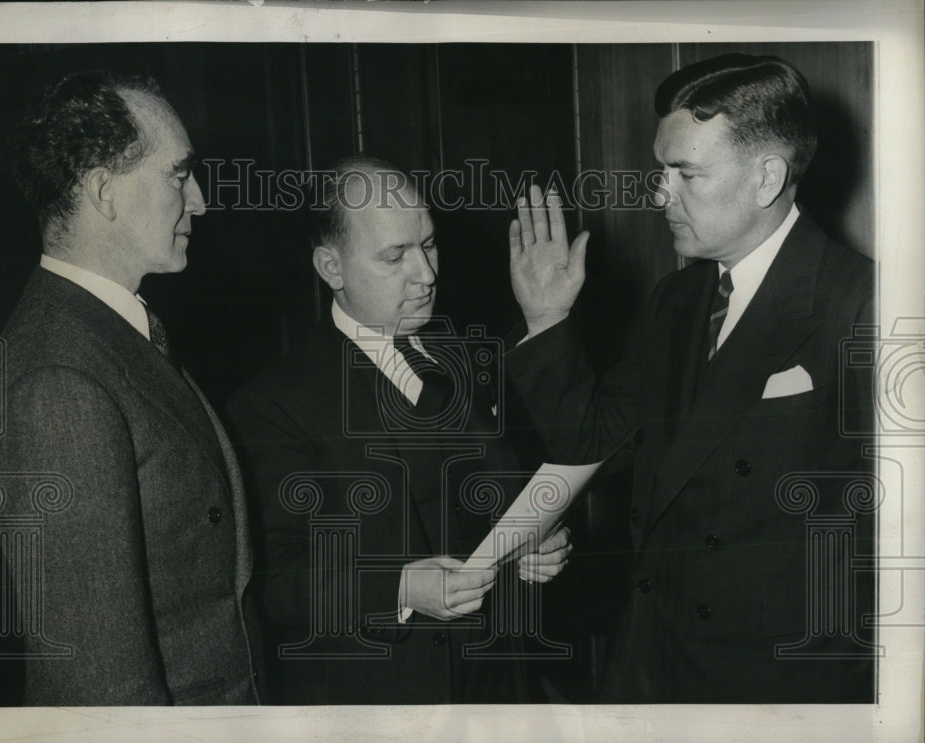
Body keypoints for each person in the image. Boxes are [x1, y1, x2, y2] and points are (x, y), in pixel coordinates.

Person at [505, 54, 875, 703]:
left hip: (778, 686)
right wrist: (547, 317)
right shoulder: (676, 298)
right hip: (651, 662)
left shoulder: (863, 303)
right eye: (660, 170)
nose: (659, 194)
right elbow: (592, 441)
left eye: (686, 174)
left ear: (766, 177)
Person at [226, 156, 571, 704]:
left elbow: (512, 496)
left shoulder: (471, 361)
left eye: (429, 245)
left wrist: (538, 544)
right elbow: (270, 580)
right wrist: (401, 588)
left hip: (500, 686)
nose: (427, 275)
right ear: (330, 268)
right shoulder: (272, 404)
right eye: (395, 256)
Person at [0, 71, 261, 705]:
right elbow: (101, 687)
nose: (203, 201)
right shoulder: (58, 382)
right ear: (105, 192)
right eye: (178, 176)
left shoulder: (110, 333)